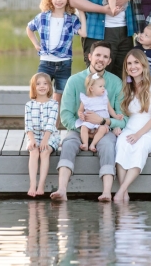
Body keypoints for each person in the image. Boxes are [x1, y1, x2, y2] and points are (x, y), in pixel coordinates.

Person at [50, 41, 127, 202]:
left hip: (104, 129)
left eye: (105, 57)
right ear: (90, 56)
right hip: (80, 128)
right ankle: (62, 189)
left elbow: (123, 118)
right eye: (98, 55)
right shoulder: (74, 81)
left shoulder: (115, 83)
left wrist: (104, 122)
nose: (101, 59)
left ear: (109, 61)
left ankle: (106, 192)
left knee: (107, 145)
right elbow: (65, 115)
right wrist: (83, 127)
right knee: (69, 143)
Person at [113, 50, 151, 202]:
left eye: (136, 62)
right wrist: (117, 126)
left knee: (140, 144)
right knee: (122, 143)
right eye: (129, 63)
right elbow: (122, 114)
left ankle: (122, 190)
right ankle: (124, 194)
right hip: (130, 126)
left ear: (144, 64)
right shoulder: (126, 87)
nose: (133, 66)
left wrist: (139, 135)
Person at [26, 0, 87, 103]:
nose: (59, 0)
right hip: (45, 62)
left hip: (64, 64)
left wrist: (81, 12)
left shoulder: (71, 19)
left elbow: (83, 33)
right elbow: (29, 28)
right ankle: (41, 121)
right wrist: (36, 44)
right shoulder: (42, 17)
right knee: (40, 95)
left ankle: (55, 123)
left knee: (59, 99)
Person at [25, 72, 61, 197]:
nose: (42, 86)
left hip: (50, 135)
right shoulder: (29, 105)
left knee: (44, 152)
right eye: (38, 84)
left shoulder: (54, 104)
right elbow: (28, 125)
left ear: (50, 87)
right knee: (34, 152)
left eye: (45, 83)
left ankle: (41, 183)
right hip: (34, 135)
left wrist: (45, 140)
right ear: (34, 87)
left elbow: (51, 123)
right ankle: (32, 184)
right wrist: (31, 140)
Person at [76, 74, 120, 152]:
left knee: (103, 129)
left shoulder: (104, 98)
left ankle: (93, 144)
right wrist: (81, 115)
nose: (103, 88)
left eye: (103, 86)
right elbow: (80, 110)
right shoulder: (86, 99)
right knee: (83, 127)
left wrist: (116, 116)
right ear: (91, 88)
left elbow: (110, 109)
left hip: (101, 123)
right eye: (100, 86)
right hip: (89, 122)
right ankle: (85, 144)